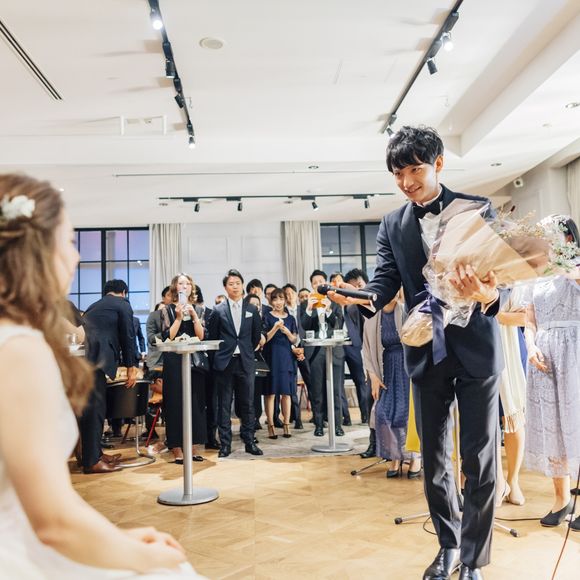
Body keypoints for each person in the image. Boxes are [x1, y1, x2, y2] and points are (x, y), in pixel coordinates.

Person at [0, 173, 199, 577]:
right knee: (174, 569)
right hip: (20, 548)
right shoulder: (19, 350)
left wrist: (118, 538)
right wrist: (141, 558)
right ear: (40, 250)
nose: (75, 258)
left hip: (32, 530)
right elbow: (53, 522)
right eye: (70, 242)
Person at [329, 126, 504, 580]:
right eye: (397, 174)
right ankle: (448, 545)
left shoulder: (476, 209)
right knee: (434, 459)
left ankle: (473, 560)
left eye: (414, 170)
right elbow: (386, 281)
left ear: (438, 164)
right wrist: (360, 296)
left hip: (477, 348)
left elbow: (500, 281)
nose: (406, 182)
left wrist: (486, 293)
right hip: (425, 351)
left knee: (479, 459)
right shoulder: (392, 224)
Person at [523, 216, 580, 530]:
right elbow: (529, 319)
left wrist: (564, 263)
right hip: (544, 355)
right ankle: (561, 500)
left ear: (568, 239)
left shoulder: (575, 268)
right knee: (553, 426)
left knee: (576, 423)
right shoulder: (537, 275)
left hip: (574, 352)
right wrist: (530, 345)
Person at [363, 291, 422, 478]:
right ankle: (395, 456)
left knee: (407, 414)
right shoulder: (371, 317)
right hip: (385, 368)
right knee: (383, 413)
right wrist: (373, 375)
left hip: (408, 367)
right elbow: (366, 349)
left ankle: (415, 457)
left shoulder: (406, 311)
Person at [82, 279, 137, 473]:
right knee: (95, 410)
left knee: (94, 409)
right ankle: (91, 462)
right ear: (124, 292)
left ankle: (95, 454)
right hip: (96, 358)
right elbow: (128, 336)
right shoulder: (122, 304)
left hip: (84, 358)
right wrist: (131, 366)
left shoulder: (94, 306)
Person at [208, 269, 264, 457]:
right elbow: (212, 338)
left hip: (245, 362)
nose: (235, 287)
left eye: (238, 283)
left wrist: (246, 351)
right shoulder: (218, 310)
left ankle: (249, 441)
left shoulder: (251, 309)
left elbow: (256, 336)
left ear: (242, 285)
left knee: (248, 403)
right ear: (225, 287)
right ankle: (225, 444)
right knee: (224, 405)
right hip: (225, 363)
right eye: (231, 284)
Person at [161, 273, 206, 464]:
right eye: (180, 283)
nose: (184, 286)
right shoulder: (167, 310)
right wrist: (179, 318)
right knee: (175, 402)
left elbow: (201, 336)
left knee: (195, 402)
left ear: (191, 288)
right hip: (173, 360)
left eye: (187, 283)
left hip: (194, 361)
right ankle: (176, 446)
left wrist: (194, 315)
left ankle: (193, 445)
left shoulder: (199, 309)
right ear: (175, 287)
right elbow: (167, 337)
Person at [301, 269, 346, 437]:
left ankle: (337, 425)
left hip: (334, 351)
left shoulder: (335, 301)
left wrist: (328, 310)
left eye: (321, 281)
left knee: (336, 390)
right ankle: (319, 425)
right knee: (317, 391)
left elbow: (338, 324)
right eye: (315, 283)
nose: (318, 284)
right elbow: (304, 326)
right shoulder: (306, 304)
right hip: (315, 352)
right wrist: (309, 308)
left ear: (326, 283)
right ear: (312, 286)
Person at [495, 286, 528, 507]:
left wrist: (493, 313)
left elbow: (526, 317)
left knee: (514, 418)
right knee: (486, 420)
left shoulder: (521, 281)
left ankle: (513, 480)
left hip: (513, 348)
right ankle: (497, 482)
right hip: (482, 346)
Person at [263, 288, 299, 439]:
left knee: (286, 393)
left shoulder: (291, 319)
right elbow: (264, 338)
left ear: (285, 300)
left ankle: (286, 424)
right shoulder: (266, 316)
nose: (278, 302)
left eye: (281, 299)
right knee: (270, 393)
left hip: (286, 357)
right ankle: (271, 425)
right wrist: (275, 328)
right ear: (271, 301)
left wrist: (287, 332)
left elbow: (295, 340)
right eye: (275, 299)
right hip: (271, 357)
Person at [343, 268, 372, 425]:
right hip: (348, 347)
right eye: (352, 287)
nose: (356, 290)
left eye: (359, 285)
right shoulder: (349, 306)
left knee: (362, 382)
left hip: (364, 348)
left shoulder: (372, 300)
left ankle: (367, 416)